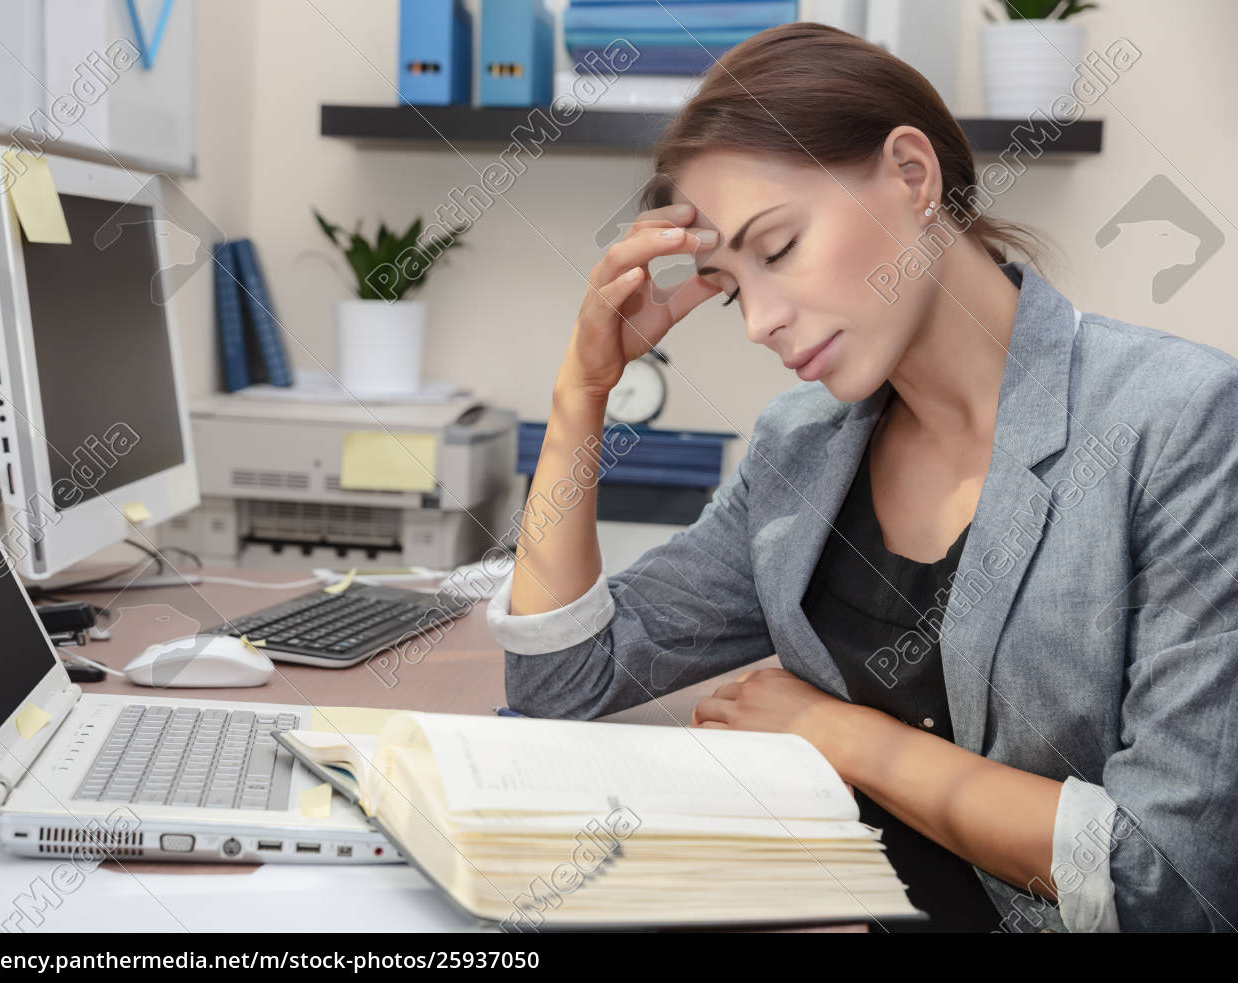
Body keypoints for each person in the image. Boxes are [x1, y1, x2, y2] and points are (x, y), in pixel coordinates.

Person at [486, 23, 1237, 932]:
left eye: (779, 246)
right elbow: (561, 679)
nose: (758, 320)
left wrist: (843, 737)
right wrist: (582, 391)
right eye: (728, 286)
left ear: (912, 176)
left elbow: (1171, 885)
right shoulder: (803, 447)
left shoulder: (1181, 420)